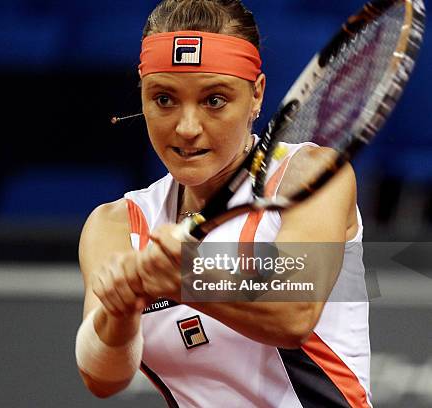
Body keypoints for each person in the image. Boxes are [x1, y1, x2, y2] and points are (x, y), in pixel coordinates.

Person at [75, 0, 371, 406]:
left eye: (214, 100)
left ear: (256, 96)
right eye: (164, 99)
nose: (187, 127)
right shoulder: (114, 225)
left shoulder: (313, 175)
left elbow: (294, 313)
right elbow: (102, 378)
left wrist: (182, 278)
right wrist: (119, 314)